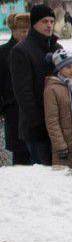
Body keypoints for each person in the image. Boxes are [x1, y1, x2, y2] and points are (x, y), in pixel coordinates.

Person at [9, 4, 59, 165]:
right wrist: (38, 122)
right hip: (37, 128)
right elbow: (23, 93)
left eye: (52, 21)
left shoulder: (57, 47)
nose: (49, 25)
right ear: (35, 23)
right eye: (45, 21)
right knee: (44, 173)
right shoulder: (21, 51)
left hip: (58, 125)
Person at [43, 49, 72, 179]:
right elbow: (52, 120)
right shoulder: (52, 89)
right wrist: (60, 145)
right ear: (59, 68)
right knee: (68, 186)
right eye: (68, 67)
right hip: (65, 149)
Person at [0, 13, 31, 165]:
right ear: (13, 30)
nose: (25, 34)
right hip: (13, 110)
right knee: (20, 155)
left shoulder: (32, 49)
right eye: (22, 30)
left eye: (27, 30)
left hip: (31, 110)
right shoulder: (3, 52)